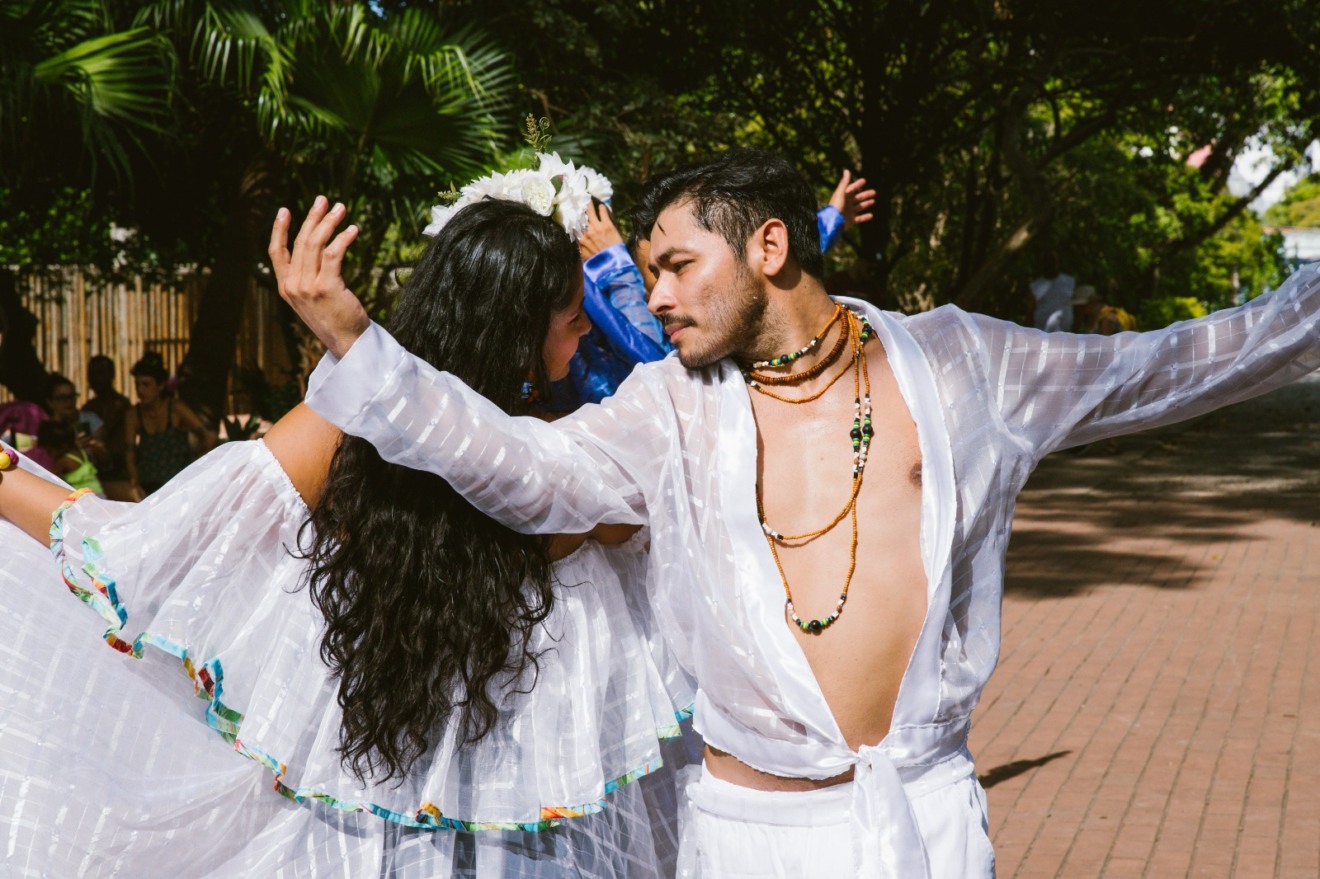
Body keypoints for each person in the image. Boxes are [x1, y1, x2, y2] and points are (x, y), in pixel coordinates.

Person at [281, 148, 1320, 878]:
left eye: (678, 266)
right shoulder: (668, 410)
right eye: (649, 273)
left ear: (769, 247)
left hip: (924, 813)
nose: (656, 299)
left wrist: (1305, 314)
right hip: (749, 834)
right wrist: (362, 349)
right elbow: (519, 463)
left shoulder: (962, 364)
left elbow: (1163, 367)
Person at [0, 197, 691, 876]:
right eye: (574, 320)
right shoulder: (546, 458)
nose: (583, 341)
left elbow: (154, 552)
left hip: (388, 833)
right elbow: (163, 553)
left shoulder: (528, 448)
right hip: (517, 838)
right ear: (518, 330)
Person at [124, 352, 217, 498]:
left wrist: (195, 464)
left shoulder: (175, 408)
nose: (140, 390)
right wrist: (136, 484)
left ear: (160, 385)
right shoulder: (133, 415)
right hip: (148, 488)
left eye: (146, 384)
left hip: (179, 487)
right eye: (137, 385)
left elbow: (209, 437)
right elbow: (129, 453)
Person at [83, 354, 135, 500]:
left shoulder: (121, 405)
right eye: (92, 374)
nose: (95, 378)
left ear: (111, 375)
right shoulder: (88, 408)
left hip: (120, 469)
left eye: (100, 373)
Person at [1027, 253, 1075, 332]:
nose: (1049, 264)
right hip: (1042, 332)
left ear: (1057, 263)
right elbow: (1030, 312)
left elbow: (1077, 308)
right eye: (1046, 261)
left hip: (1065, 333)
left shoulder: (1070, 282)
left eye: (1052, 261)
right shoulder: (1035, 286)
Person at [1073, 284, 1138, 335]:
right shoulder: (1093, 317)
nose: (1078, 310)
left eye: (1080, 307)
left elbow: (1106, 349)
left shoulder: (1106, 320)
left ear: (1091, 303)